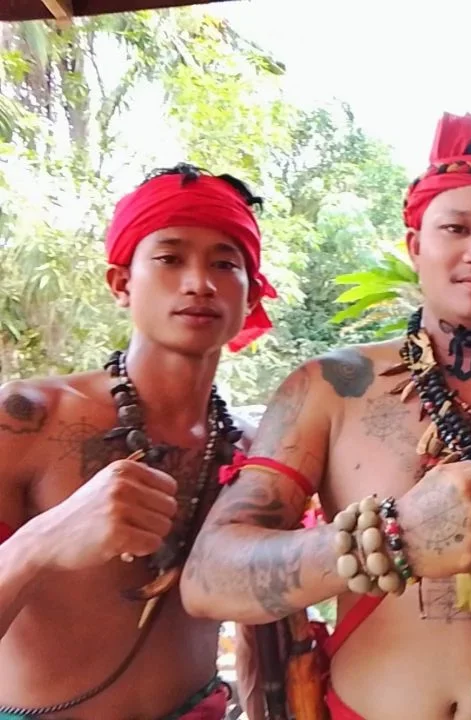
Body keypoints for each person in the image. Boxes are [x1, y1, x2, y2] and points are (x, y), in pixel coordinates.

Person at [180, 112, 471, 720]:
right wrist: (395, 539)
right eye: (456, 228)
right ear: (416, 245)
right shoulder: (329, 388)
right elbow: (208, 578)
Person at [0, 163, 276, 719]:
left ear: (250, 298)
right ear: (121, 283)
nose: (199, 283)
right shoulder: (27, 420)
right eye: (170, 259)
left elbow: (262, 626)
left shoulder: (257, 450)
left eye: (225, 264)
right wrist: (44, 539)